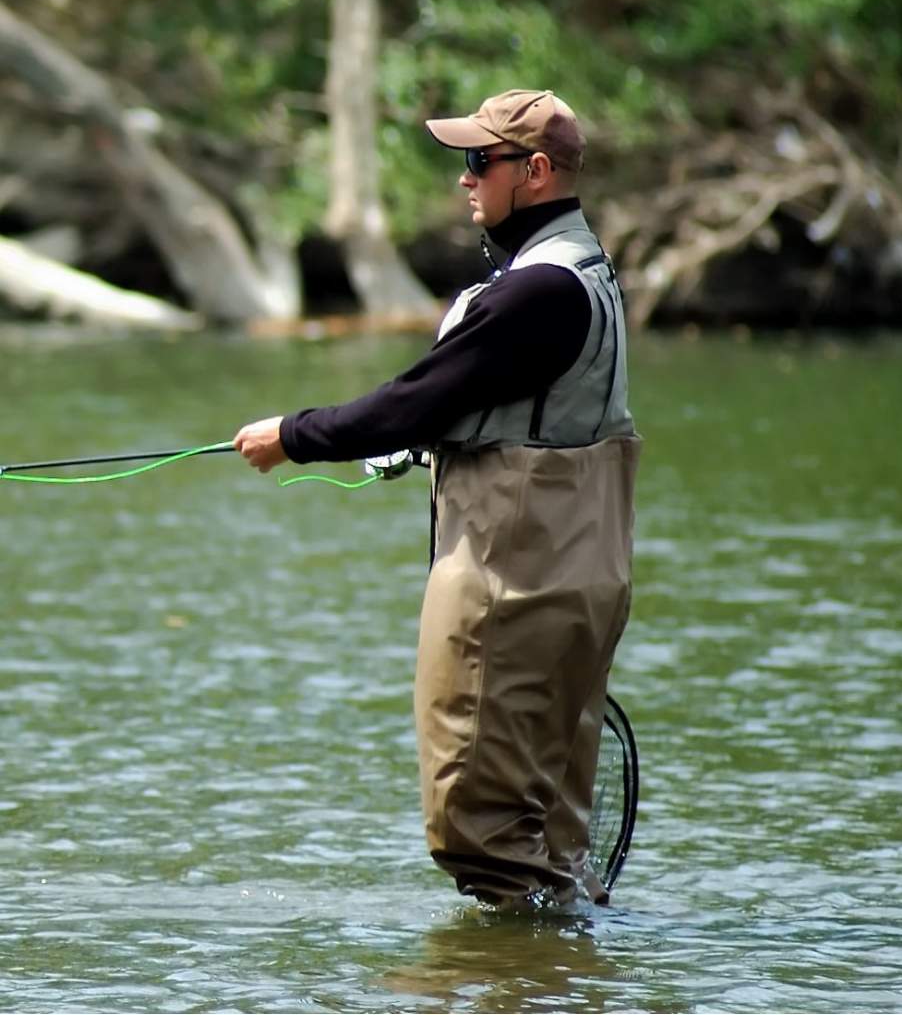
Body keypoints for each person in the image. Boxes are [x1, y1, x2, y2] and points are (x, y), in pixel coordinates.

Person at [234, 89, 642, 908]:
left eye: (476, 161)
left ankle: (505, 981)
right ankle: (551, 982)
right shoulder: (586, 270)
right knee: (544, 826)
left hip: (513, 579)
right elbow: (484, 407)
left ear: (532, 172)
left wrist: (291, 433)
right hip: (581, 575)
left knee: (476, 823)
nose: (464, 180)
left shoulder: (533, 294)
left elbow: (408, 402)